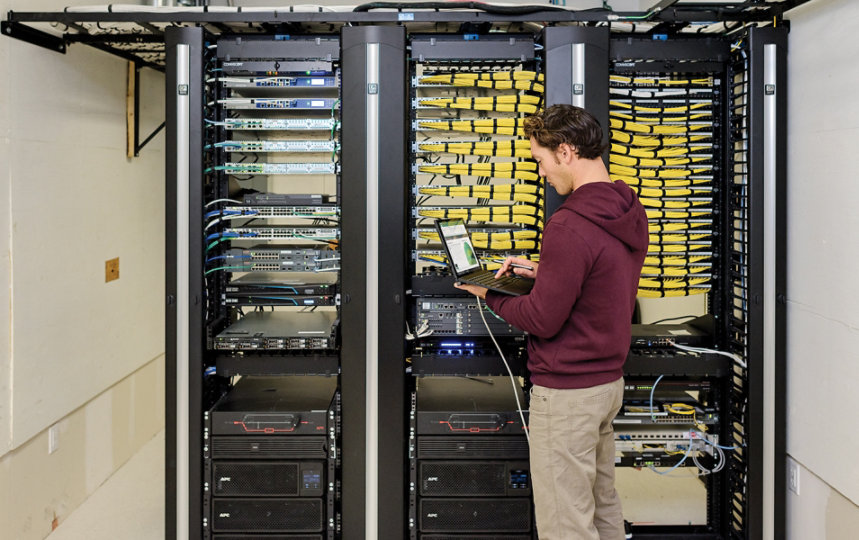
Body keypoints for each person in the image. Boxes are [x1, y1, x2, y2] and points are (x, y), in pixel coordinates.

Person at [454, 104, 649, 540]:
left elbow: (542, 319)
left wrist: (489, 294)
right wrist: (548, 272)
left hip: (567, 397)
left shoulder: (569, 223)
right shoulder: (627, 208)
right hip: (605, 385)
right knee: (601, 507)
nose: (541, 173)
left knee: (566, 524)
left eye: (540, 161)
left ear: (564, 152)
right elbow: (606, 279)